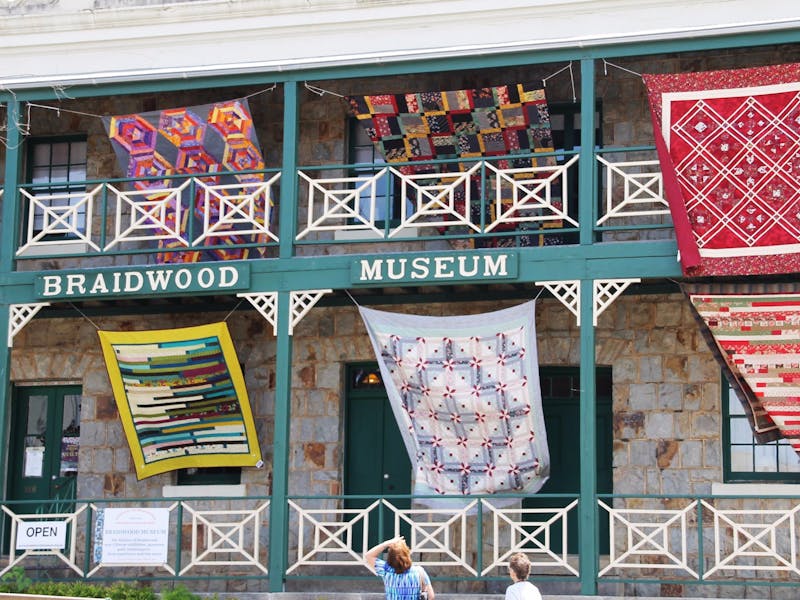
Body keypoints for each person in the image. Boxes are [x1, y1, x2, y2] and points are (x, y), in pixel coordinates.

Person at [364, 535, 435, 600]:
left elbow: (368, 556)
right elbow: (431, 596)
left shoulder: (386, 570)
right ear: (407, 553)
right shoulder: (419, 571)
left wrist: (386, 543)